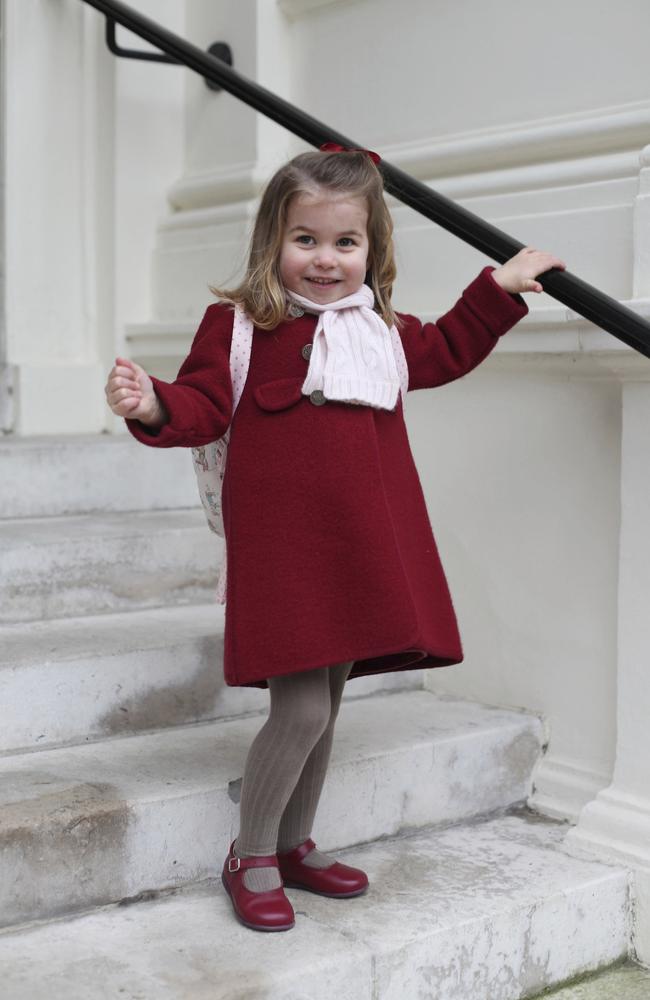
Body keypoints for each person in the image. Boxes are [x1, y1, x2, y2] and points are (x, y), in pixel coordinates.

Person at [105, 145, 566, 933]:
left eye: (344, 243)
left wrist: (498, 289)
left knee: (331, 701)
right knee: (302, 712)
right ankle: (249, 854)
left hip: (359, 547)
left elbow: (449, 346)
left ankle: (292, 843)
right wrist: (152, 403)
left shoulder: (379, 328)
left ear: (372, 251)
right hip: (287, 556)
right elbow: (204, 404)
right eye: (305, 240)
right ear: (271, 242)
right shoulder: (242, 326)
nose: (324, 260)